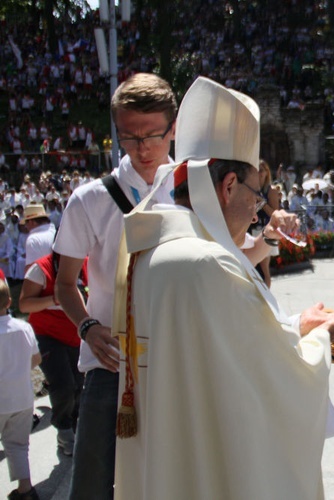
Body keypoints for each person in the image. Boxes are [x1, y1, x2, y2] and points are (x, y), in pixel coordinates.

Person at [112, 76, 334, 499]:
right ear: (228, 186)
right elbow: (272, 376)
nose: (257, 211)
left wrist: (297, 323)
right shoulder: (205, 262)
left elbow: (222, 346)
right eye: (255, 193)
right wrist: (321, 336)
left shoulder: (149, 249)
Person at [52, 72, 177, 500]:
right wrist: (87, 327)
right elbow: (65, 285)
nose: (142, 148)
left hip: (176, 358)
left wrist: (268, 237)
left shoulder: (195, 190)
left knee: (180, 478)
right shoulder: (90, 199)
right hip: (112, 364)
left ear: (174, 128)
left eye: (154, 135)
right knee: (91, 483)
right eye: (129, 137)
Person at [19, 252, 88, 456]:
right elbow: (24, 304)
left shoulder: (86, 264)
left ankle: (75, 427)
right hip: (47, 335)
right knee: (63, 385)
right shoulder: (40, 269)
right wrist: (54, 298)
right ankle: (64, 430)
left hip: (76, 335)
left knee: (78, 385)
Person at [0, 280, 42, 500]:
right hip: (22, 397)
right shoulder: (24, 327)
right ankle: (26, 490)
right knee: (18, 444)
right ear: (9, 301)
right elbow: (36, 358)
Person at [249, 159, 281, 288]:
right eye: (256, 170)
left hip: (265, 229)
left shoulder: (271, 190)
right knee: (252, 267)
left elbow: (275, 213)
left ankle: (266, 295)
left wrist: (262, 202)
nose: (259, 173)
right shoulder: (251, 188)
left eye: (261, 170)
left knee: (264, 269)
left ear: (266, 172)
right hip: (252, 229)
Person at [22, 204, 55, 273]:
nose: (26, 226)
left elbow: (31, 272)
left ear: (31, 222)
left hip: (46, 281)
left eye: (26, 223)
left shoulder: (33, 239)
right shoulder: (57, 232)